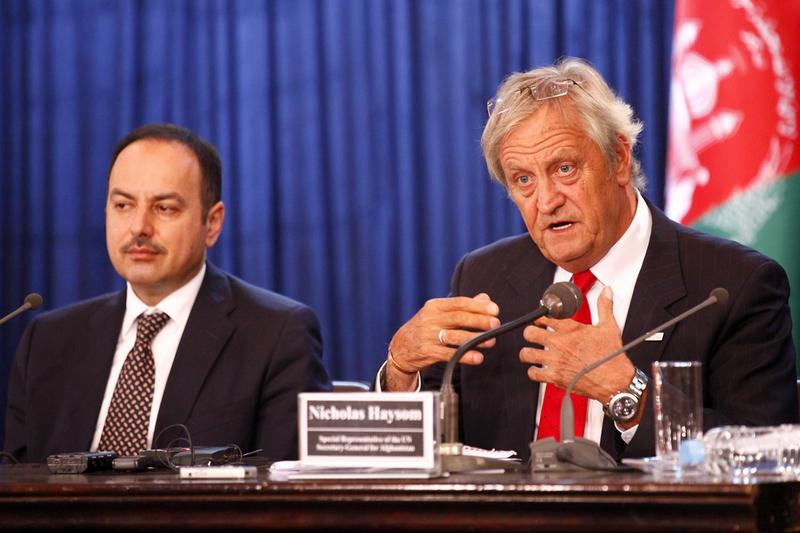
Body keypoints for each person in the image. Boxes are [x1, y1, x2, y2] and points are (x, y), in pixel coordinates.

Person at [379, 58, 798, 462]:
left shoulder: (732, 287)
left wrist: (626, 391)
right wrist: (400, 369)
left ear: (619, 159)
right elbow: (427, 447)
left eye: (564, 168)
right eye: (523, 179)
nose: (546, 201)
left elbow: (763, 454)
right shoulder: (483, 277)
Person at [5, 123, 331, 463]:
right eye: (123, 205)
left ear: (213, 223)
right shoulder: (47, 341)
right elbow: (16, 479)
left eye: (164, 208)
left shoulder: (277, 335)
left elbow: (282, 484)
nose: (139, 227)